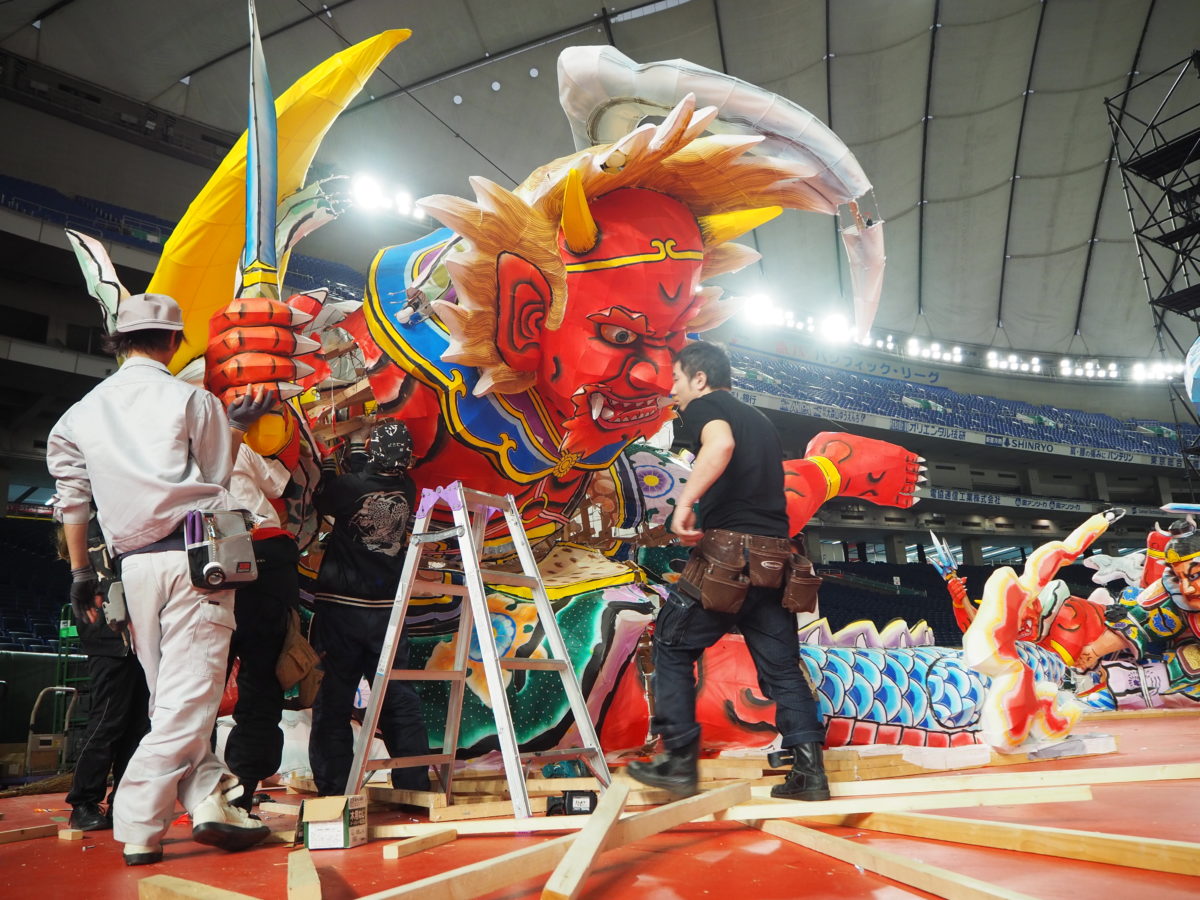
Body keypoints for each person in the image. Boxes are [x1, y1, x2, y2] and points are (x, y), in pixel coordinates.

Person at [46, 292, 275, 865]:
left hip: (132, 569)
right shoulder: (190, 399)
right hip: (194, 559)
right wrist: (236, 425)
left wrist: (80, 575)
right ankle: (139, 825)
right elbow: (219, 473)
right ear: (174, 342)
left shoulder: (77, 415)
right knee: (186, 704)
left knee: (173, 703)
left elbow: (72, 505)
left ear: (117, 341)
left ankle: (213, 802)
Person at [627, 341, 829, 800]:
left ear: (699, 378)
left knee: (671, 644)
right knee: (782, 670)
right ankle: (810, 774)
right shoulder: (760, 419)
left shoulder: (706, 407)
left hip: (728, 558)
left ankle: (678, 762)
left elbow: (721, 445)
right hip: (777, 560)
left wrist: (683, 503)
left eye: (676, 380)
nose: (673, 391)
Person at [308, 419, 431, 796]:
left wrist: (329, 464)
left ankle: (335, 789)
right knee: (399, 698)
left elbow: (323, 496)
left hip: (342, 610)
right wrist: (359, 453)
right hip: (387, 612)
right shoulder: (407, 488)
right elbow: (368, 473)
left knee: (335, 699)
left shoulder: (348, 488)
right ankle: (413, 785)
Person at [58, 517, 150, 832]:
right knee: (107, 722)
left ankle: (121, 802)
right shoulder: (95, 528)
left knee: (138, 727)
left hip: (138, 639)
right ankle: (83, 803)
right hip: (110, 639)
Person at [223, 443, 300, 811]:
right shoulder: (238, 445)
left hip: (209, 554)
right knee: (263, 677)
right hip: (269, 556)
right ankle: (244, 789)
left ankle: (198, 791)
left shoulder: (167, 451)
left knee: (198, 684)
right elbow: (282, 486)